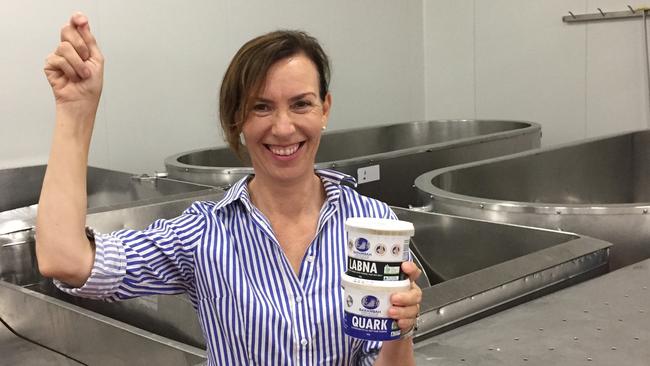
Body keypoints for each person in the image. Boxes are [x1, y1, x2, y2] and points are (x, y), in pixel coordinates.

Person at [36, 12, 422, 365]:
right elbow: (66, 261)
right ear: (237, 120)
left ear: (325, 108)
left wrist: (399, 329)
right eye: (261, 107)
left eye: (301, 104)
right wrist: (76, 110)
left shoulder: (372, 225)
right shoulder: (203, 233)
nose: (283, 127)